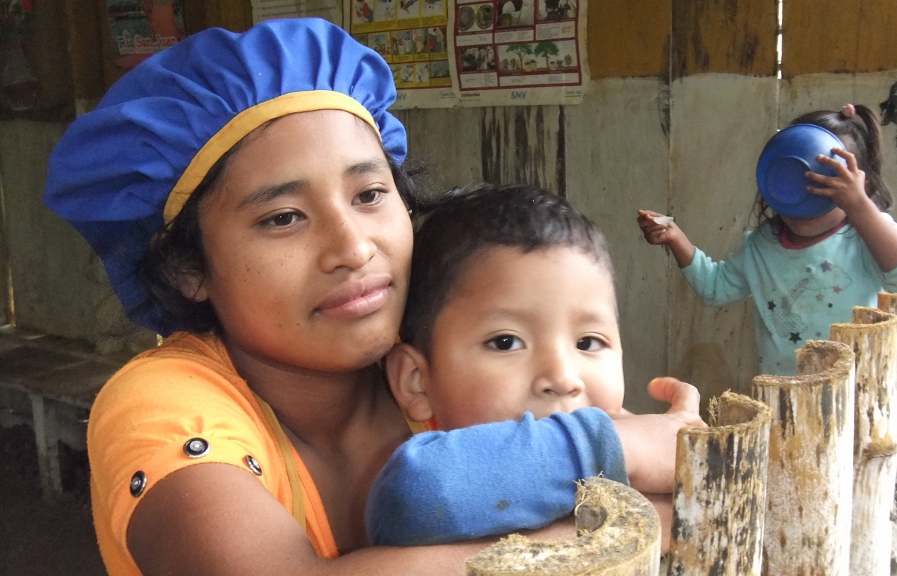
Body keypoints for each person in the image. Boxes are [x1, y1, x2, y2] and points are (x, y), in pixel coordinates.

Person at [43, 18, 701, 575]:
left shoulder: (449, 358)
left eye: (369, 194)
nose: (354, 247)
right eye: (283, 218)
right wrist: (615, 514)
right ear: (188, 267)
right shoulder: (164, 404)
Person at [365, 184, 700, 547]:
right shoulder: (438, 479)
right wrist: (621, 446)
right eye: (505, 342)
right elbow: (412, 495)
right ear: (416, 381)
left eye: (588, 342)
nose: (562, 377)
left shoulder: (625, 469)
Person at [638, 104, 897, 376]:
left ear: (860, 188)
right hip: (786, 397)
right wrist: (676, 239)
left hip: (859, 393)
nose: (804, 200)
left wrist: (860, 207)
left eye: (827, 190)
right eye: (794, 185)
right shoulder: (762, 247)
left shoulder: (865, 236)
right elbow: (715, 288)